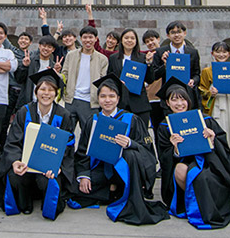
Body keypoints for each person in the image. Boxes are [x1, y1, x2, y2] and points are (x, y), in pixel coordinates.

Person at [69, 74, 168, 225]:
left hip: (124, 171)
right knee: (73, 188)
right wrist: (84, 175)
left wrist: (130, 143)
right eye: (103, 96)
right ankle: (112, 190)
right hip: (101, 169)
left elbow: (147, 151)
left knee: (131, 155)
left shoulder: (132, 119)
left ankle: (115, 190)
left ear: (118, 98)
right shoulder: (93, 120)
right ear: (98, 98)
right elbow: (82, 151)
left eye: (111, 96)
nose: (107, 100)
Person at [156, 77, 230, 229]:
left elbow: (224, 148)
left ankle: (206, 207)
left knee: (202, 175)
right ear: (167, 103)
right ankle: (197, 207)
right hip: (182, 162)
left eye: (182, 99)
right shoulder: (164, 126)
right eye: (174, 100)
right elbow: (163, 158)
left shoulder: (205, 120)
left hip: (209, 161)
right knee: (182, 171)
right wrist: (174, 149)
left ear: (188, 100)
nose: (179, 104)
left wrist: (213, 140)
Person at [0, 69, 75, 220]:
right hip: (25, 163)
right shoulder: (24, 112)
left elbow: (68, 145)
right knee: (15, 176)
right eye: (43, 89)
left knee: (48, 180)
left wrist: (57, 166)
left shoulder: (64, 115)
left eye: (51, 90)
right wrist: (15, 161)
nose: (46, 94)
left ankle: (47, 204)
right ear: (36, 91)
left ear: (56, 93)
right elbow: (13, 140)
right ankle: (25, 204)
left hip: (48, 166)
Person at [198, 42, 230, 173]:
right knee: (219, 136)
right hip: (216, 106)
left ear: (229, 54)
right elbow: (201, 90)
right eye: (218, 52)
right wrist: (210, 92)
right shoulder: (207, 71)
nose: (221, 54)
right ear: (212, 54)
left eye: (224, 52)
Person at [62, 26, 109, 129]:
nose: (88, 40)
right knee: (66, 133)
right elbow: (64, 74)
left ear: (96, 39)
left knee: (88, 134)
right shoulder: (71, 55)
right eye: (85, 37)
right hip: (71, 100)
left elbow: (102, 81)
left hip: (91, 102)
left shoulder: (102, 59)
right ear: (80, 38)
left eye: (91, 37)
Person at [108, 29, 153, 127]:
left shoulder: (142, 57)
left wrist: (149, 64)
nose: (129, 40)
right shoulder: (113, 58)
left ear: (136, 41)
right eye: (126, 38)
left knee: (141, 134)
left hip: (139, 103)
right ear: (121, 40)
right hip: (120, 103)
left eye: (132, 38)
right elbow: (110, 78)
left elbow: (150, 79)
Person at [152, 21, 201, 110]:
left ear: (184, 33)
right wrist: (165, 66)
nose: (176, 35)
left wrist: (193, 81)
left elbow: (197, 74)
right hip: (168, 95)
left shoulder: (193, 52)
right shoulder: (160, 52)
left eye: (179, 32)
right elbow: (154, 75)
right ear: (168, 35)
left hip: (187, 95)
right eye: (173, 33)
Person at [15, 35, 62, 109]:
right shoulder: (30, 61)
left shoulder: (53, 66)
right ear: (39, 46)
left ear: (53, 50)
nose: (46, 49)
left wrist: (56, 73)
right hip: (27, 103)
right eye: (44, 46)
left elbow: (58, 88)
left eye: (49, 47)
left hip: (45, 104)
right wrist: (24, 66)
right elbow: (19, 79)